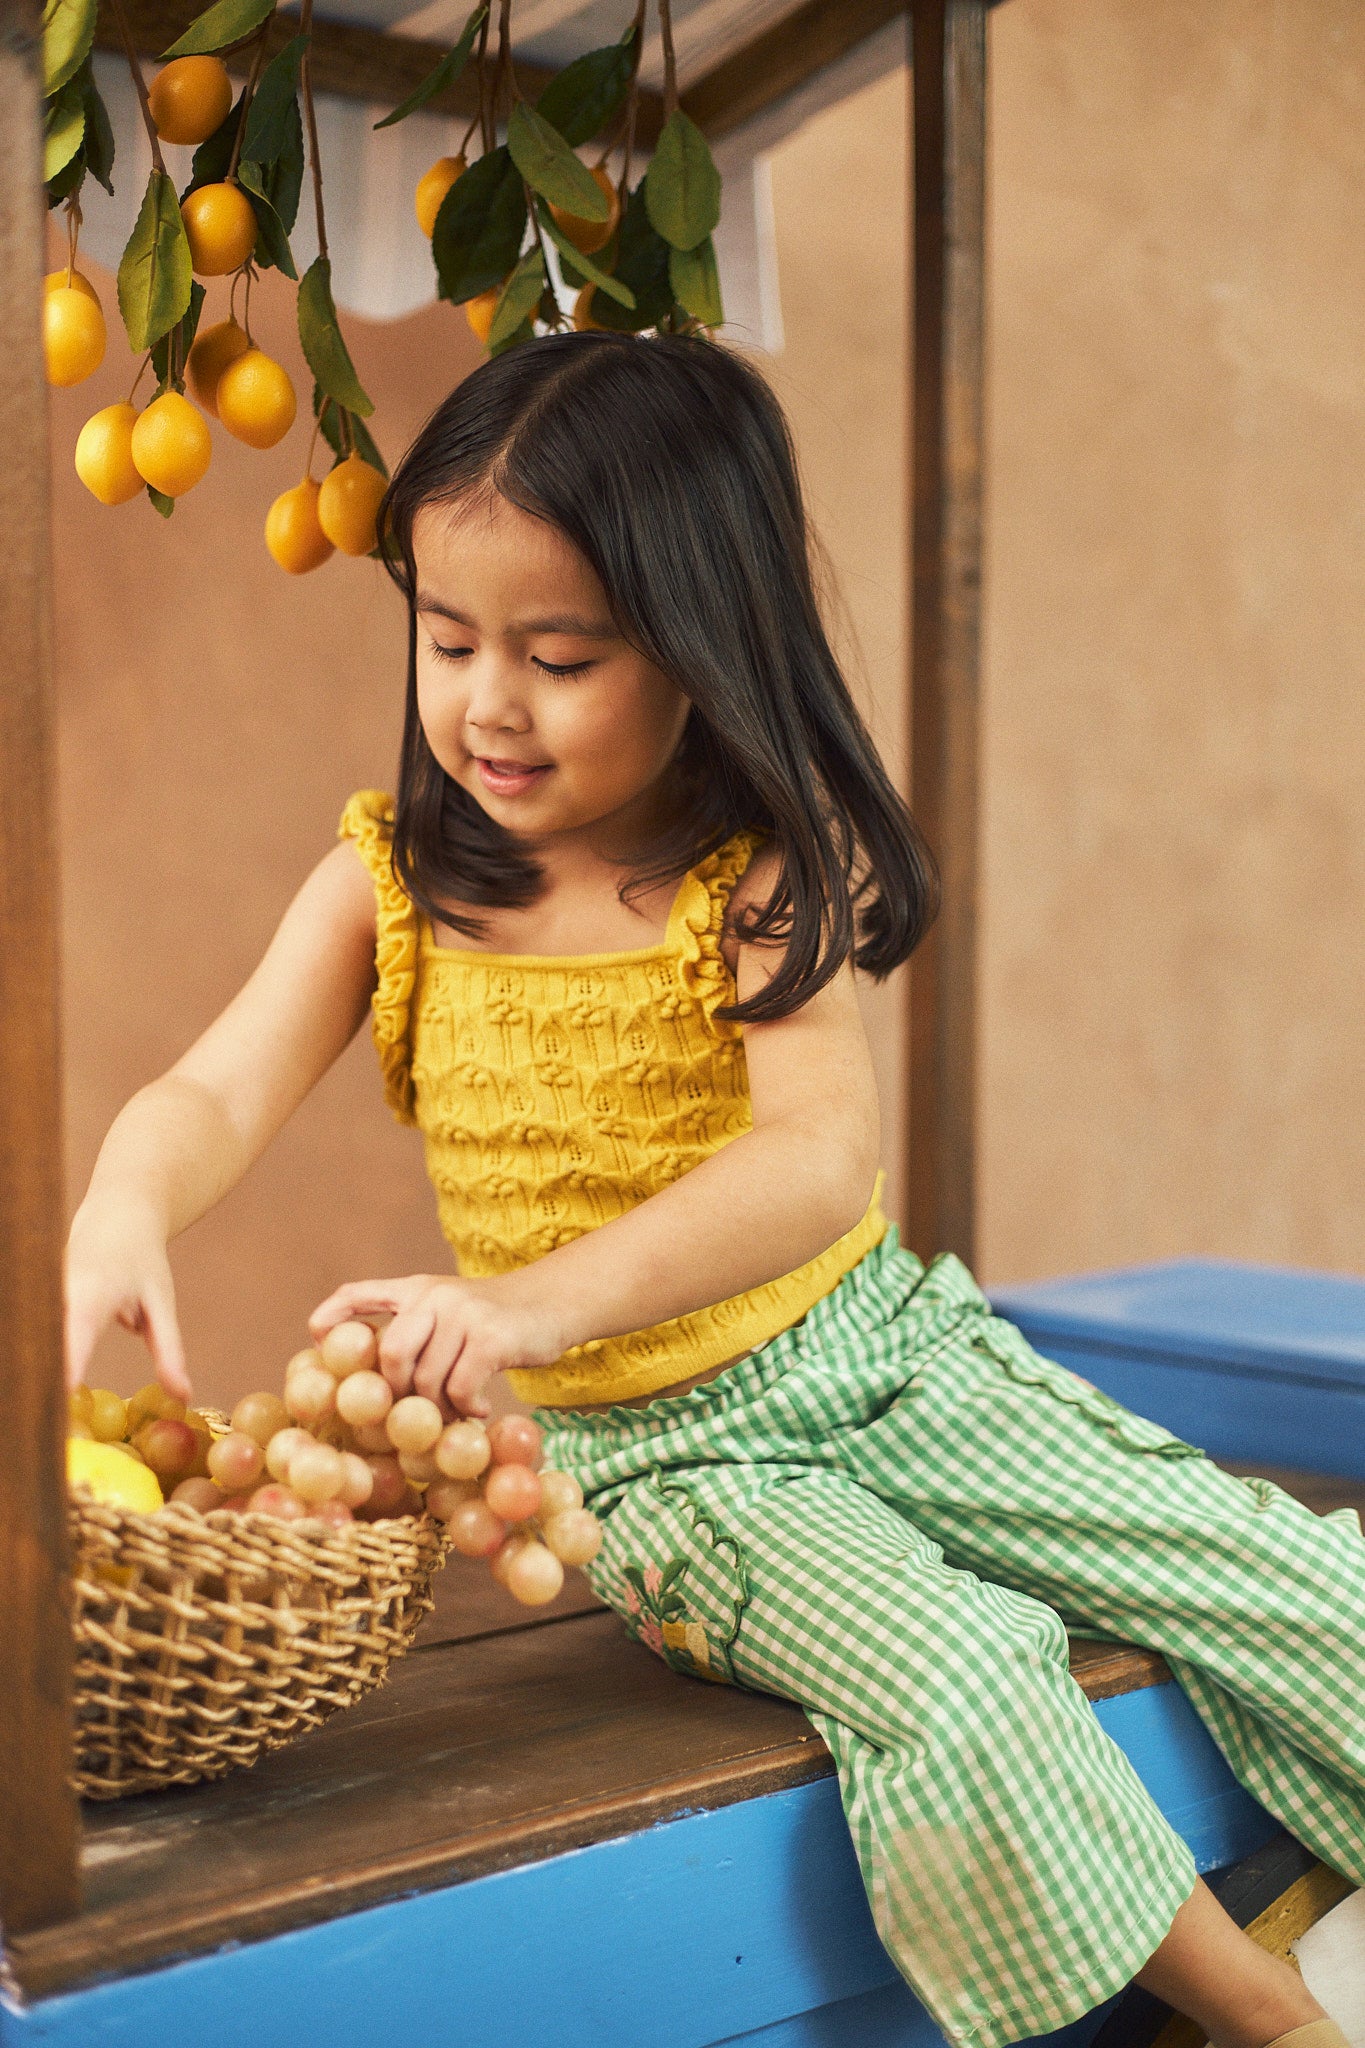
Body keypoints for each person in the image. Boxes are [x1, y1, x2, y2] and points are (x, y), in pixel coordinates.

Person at [65, 331, 1359, 2048]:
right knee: (959, 1669)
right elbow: (210, 1089)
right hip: (674, 1469)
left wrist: (521, 1301)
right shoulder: (387, 889)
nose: (486, 703)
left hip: (895, 1369)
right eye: (447, 640)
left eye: (560, 655)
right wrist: (121, 1202)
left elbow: (814, 1166)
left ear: (695, 646)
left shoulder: (744, 871)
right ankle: (1264, 2017)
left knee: (1282, 1576)